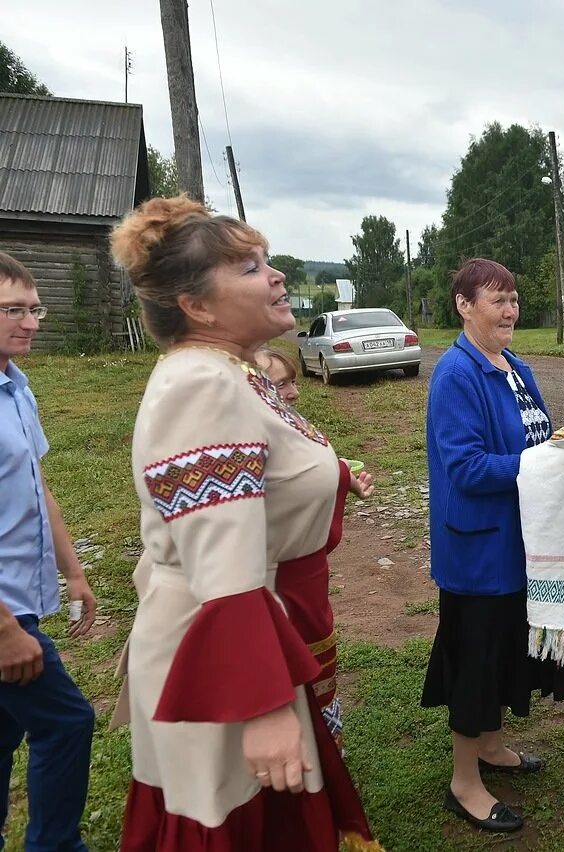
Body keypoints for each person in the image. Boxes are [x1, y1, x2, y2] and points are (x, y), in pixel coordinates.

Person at [110, 196, 379, 851]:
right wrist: (257, 704)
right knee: (230, 826)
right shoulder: (201, 383)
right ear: (197, 306)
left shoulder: (234, 375)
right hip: (224, 657)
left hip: (248, 635)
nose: (278, 274)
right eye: (251, 266)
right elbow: (221, 559)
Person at [422, 257, 564, 834]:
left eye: (513, 299)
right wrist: (540, 465)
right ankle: (464, 783)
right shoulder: (456, 374)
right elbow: (465, 468)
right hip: (479, 549)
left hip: (519, 538)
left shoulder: (512, 364)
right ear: (464, 306)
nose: (510, 310)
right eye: (497, 299)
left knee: (506, 647)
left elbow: (539, 430)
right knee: (476, 660)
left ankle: (491, 746)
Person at [0, 251, 97, 852]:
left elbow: (38, 486)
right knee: (67, 723)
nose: (32, 322)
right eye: (13, 309)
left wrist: (75, 573)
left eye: (34, 308)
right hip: (5, 617)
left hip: (22, 608)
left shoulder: (15, 387)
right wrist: (6, 629)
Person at [253, 347, 374, 749]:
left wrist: (344, 480)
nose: (293, 393)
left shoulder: (285, 424)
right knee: (288, 679)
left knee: (318, 674)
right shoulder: (246, 436)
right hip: (278, 586)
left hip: (308, 584)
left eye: (293, 382)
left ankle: (324, 756)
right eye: (280, 384)